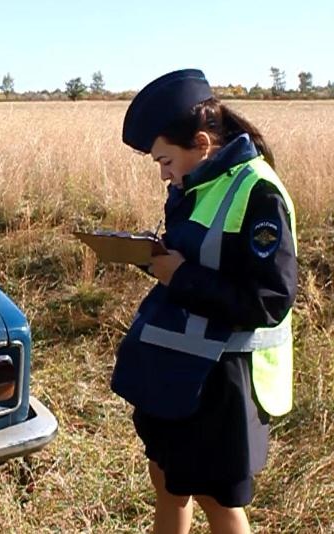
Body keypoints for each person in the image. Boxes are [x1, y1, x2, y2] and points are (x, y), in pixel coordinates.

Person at [111, 69, 298, 534]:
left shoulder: (258, 192)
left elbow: (270, 300)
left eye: (166, 160)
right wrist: (154, 259)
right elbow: (199, 259)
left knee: (218, 502)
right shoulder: (195, 184)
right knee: (167, 482)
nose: (163, 174)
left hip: (225, 380)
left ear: (201, 142)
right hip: (179, 372)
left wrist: (182, 276)